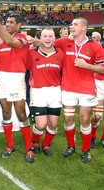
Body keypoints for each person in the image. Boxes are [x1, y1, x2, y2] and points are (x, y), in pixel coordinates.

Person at [33, 17, 104, 162]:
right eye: (71, 24)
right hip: (68, 88)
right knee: (68, 119)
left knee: (85, 118)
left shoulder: (96, 46)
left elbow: (103, 68)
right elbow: (45, 43)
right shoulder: (64, 42)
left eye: (75, 25)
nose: (71, 27)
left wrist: (87, 65)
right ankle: (71, 146)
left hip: (86, 88)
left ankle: (85, 150)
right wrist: (27, 40)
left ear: (84, 28)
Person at [0, 13, 34, 163]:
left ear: (19, 25)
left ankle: (28, 148)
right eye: (6, 22)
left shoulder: (22, 37)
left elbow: (10, 41)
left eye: (11, 22)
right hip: (2, 77)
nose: (8, 24)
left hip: (16, 77)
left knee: (20, 113)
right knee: (6, 112)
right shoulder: (1, 38)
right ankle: (10, 145)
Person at [27, 28, 64, 157]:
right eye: (45, 36)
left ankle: (46, 144)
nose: (48, 39)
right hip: (38, 91)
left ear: (54, 39)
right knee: (41, 124)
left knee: (53, 124)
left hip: (55, 91)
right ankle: (36, 142)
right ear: (40, 39)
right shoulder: (31, 53)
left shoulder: (60, 53)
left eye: (50, 36)